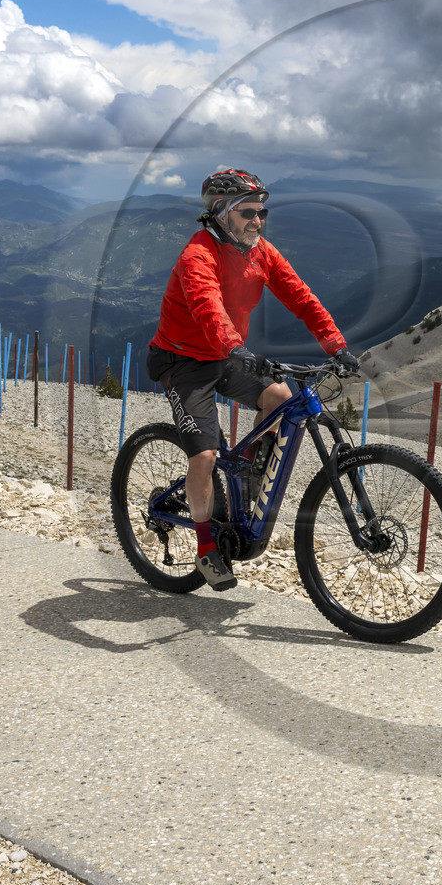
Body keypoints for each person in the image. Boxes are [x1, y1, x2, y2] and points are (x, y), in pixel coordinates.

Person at [147, 168, 358, 590]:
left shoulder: (261, 252)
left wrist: (336, 345)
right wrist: (235, 347)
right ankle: (207, 549)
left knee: (280, 397)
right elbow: (208, 307)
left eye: (263, 212)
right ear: (222, 213)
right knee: (204, 457)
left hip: (226, 355)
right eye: (248, 213)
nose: (258, 221)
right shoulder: (197, 255)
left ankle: (246, 470)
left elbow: (300, 295)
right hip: (183, 361)